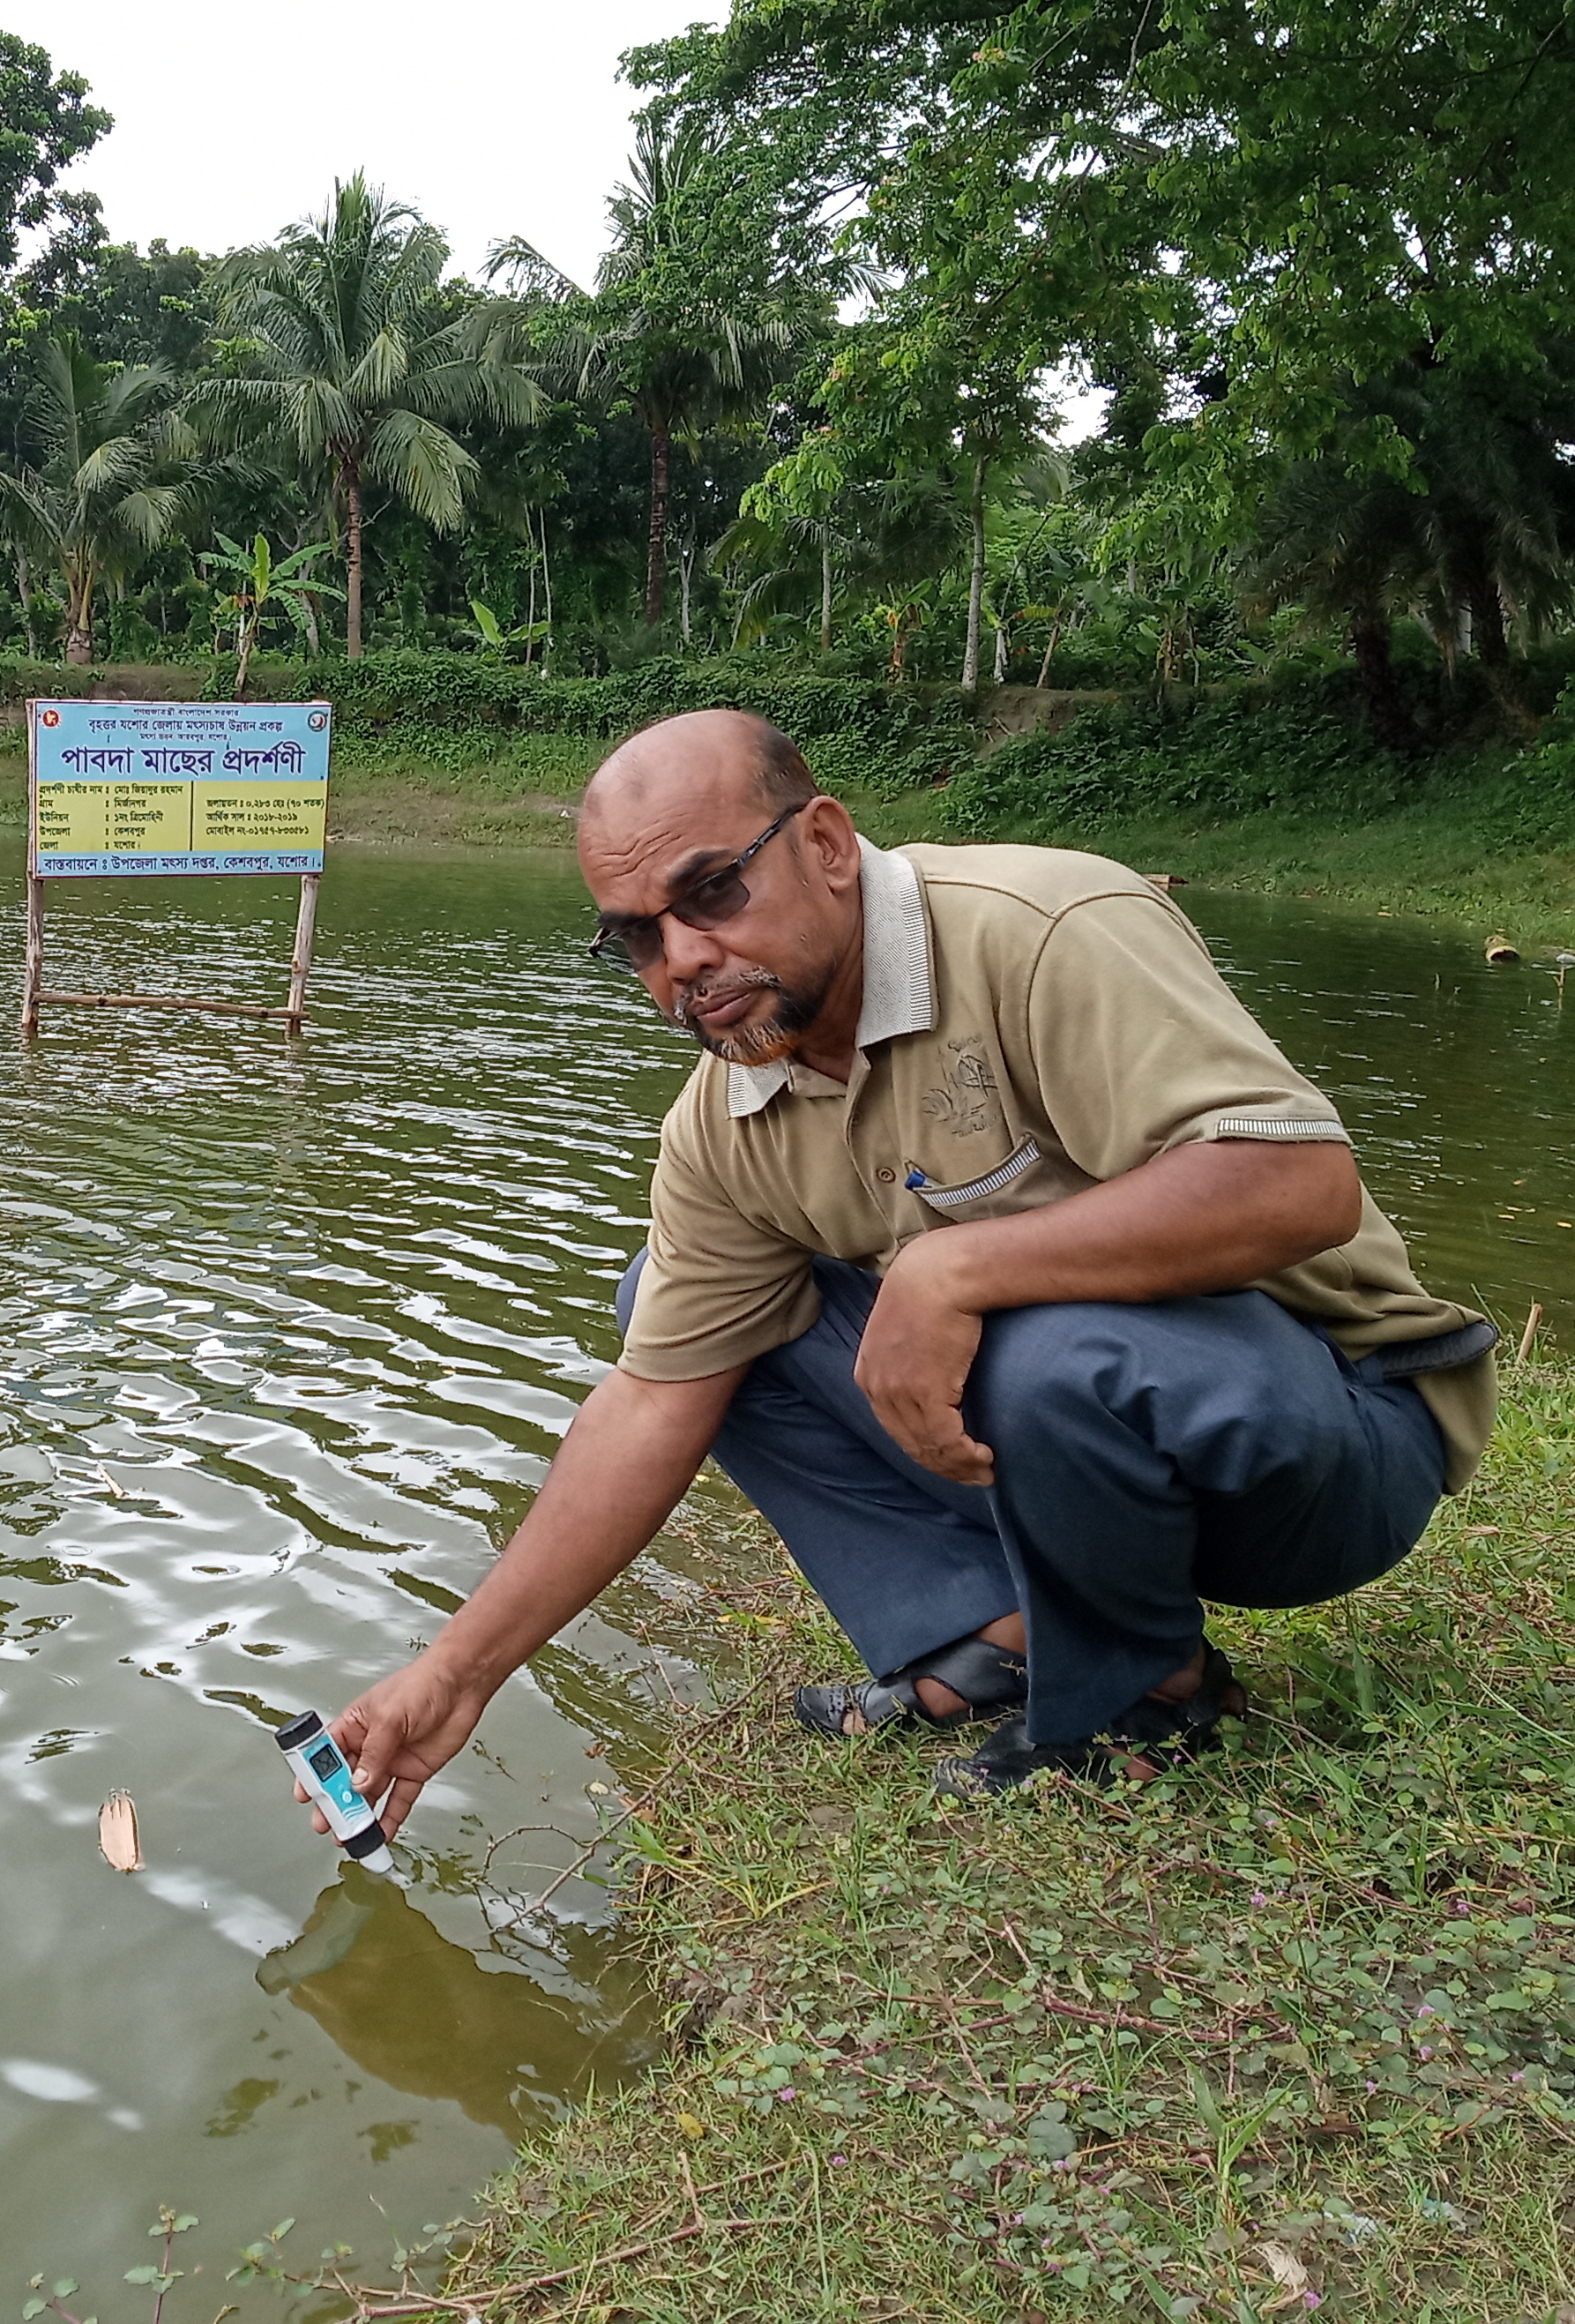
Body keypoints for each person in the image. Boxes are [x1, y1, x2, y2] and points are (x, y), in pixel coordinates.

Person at [327, 709, 1494, 1812]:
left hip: (1334, 1449)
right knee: (674, 1316)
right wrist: (460, 1671)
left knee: (1036, 1342)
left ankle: (1147, 1695)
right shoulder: (722, 1120)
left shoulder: (1038, 927)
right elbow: (650, 1406)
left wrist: (955, 1272)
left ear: (827, 843)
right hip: (1091, 1454)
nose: (684, 958)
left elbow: (1299, 1186)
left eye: (713, 892)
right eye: (637, 935)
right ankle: (1004, 1635)